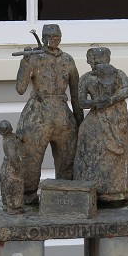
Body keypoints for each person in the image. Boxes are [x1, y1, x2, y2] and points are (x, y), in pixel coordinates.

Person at [15, 24, 82, 204]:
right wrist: (25, 63)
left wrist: (80, 121)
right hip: (38, 115)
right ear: (43, 37)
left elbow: (75, 95)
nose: (53, 40)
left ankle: (64, 200)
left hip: (63, 118)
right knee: (30, 159)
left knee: (67, 163)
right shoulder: (34, 59)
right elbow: (20, 89)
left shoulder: (67, 60)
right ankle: (28, 197)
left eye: (57, 36)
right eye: (50, 36)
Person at [72, 47, 128, 203]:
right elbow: (81, 102)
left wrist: (109, 100)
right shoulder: (86, 78)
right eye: (92, 59)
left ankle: (118, 189)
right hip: (95, 120)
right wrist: (96, 103)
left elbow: (127, 90)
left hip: (116, 119)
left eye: (98, 59)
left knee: (119, 156)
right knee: (90, 151)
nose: (94, 62)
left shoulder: (118, 74)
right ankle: (90, 188)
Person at [0, 120, 24, 215]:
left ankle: (6, 204)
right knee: (15, 185)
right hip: (11, 166)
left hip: (5, 166)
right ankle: (13, 207)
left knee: (5, 184)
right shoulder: (10, 141)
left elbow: (16, 136)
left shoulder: (7, 137)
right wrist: (17, 167)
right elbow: (12, 156)